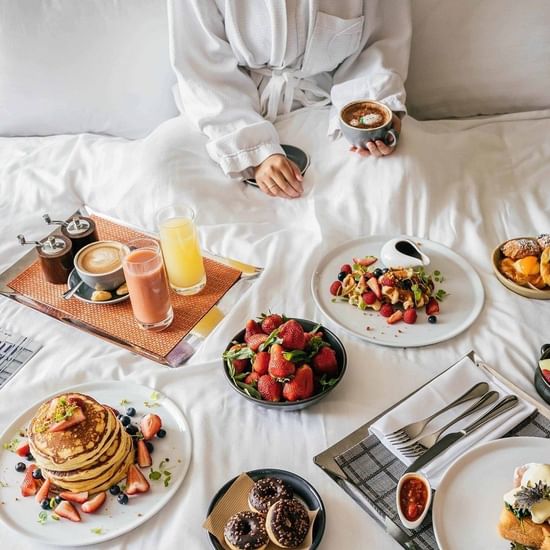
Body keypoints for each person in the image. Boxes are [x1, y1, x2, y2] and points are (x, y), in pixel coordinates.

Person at [167, 1, 411, 199]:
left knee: (394, 179)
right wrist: (255, 151)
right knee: (170, 182)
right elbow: (202, 67)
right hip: (227, 115)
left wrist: (376, 114)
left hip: (329, 106)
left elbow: (378, 44)